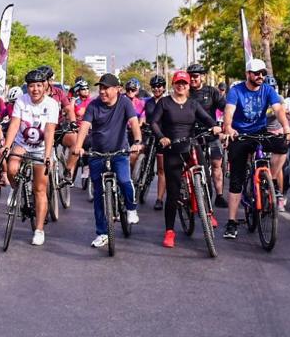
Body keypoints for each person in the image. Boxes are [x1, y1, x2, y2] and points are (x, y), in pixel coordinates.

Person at [221, 59, 290, 239]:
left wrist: (286, 127)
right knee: (236, 178)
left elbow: (278, 110)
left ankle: (272, 181)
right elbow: (228, 112)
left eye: (263, 73)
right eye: (256, 73)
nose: (260, 76)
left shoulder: (268, 90)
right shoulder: (236, 91)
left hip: (260, 132)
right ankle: (231, 222)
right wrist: (228, 127)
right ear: (248, 74)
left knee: (282, 145)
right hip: (240, 134)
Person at [150, 70, 220, 247]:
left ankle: (208, 213)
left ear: (189, 86)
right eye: (178, 83)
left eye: (184, 83)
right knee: (173, 193)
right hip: (172, 148)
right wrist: (161, 137)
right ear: (173, 84)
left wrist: (215, 127)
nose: (181, 86)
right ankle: (169, 231)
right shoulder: (165, 103)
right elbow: (154, 123)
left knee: (205, 177)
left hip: (191, 145)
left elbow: (206, 118)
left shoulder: (193, 104)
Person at [72, 73, 142, 248]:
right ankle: (102, 233)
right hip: (97, 153)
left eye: (106, 88)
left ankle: (131, 208)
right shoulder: (94, 105)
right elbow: (85, 127)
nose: (102, 91)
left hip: (120, 151)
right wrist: (78, 146)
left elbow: (134, 123)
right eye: (100, 88)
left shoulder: (125, 102)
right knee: (98, 195)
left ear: (117, 89)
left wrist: (138, 142)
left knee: (125, 180)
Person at [0, 69, 58, 246]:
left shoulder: (52, 104)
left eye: (39, 86)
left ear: (45, 86)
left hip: (41, 148)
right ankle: (17, 189)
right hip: (23, 144)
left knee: (40, 189)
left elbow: (49, 130)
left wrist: (48, 156)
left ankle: (39, 230)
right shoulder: (21, 100)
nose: (35, 89)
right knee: (11, 168)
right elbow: (15, 123)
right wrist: (7, 146)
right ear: (28, 87)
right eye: (32, 86)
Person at [187, 63, 227, 206]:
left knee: (216, 164)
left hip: (211, 133)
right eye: (190, 76)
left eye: (196, 76)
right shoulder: (185, 92)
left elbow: (225, 108)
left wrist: (225, 126)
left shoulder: (212, 92)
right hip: (191, 135)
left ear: (203, 77)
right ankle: (192, 194)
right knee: (190, 165)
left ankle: (220, 195)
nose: (193, 79)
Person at [144, 74, 168, 210]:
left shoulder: (168, 102)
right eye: (154, 86)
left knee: (161, 169)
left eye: (159, 86)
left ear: (164, 88)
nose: (156, 89)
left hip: (163, 138)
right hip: (150, 137)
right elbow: (141, 116)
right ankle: (140, 178)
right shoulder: (148, 103)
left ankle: (159, 199)